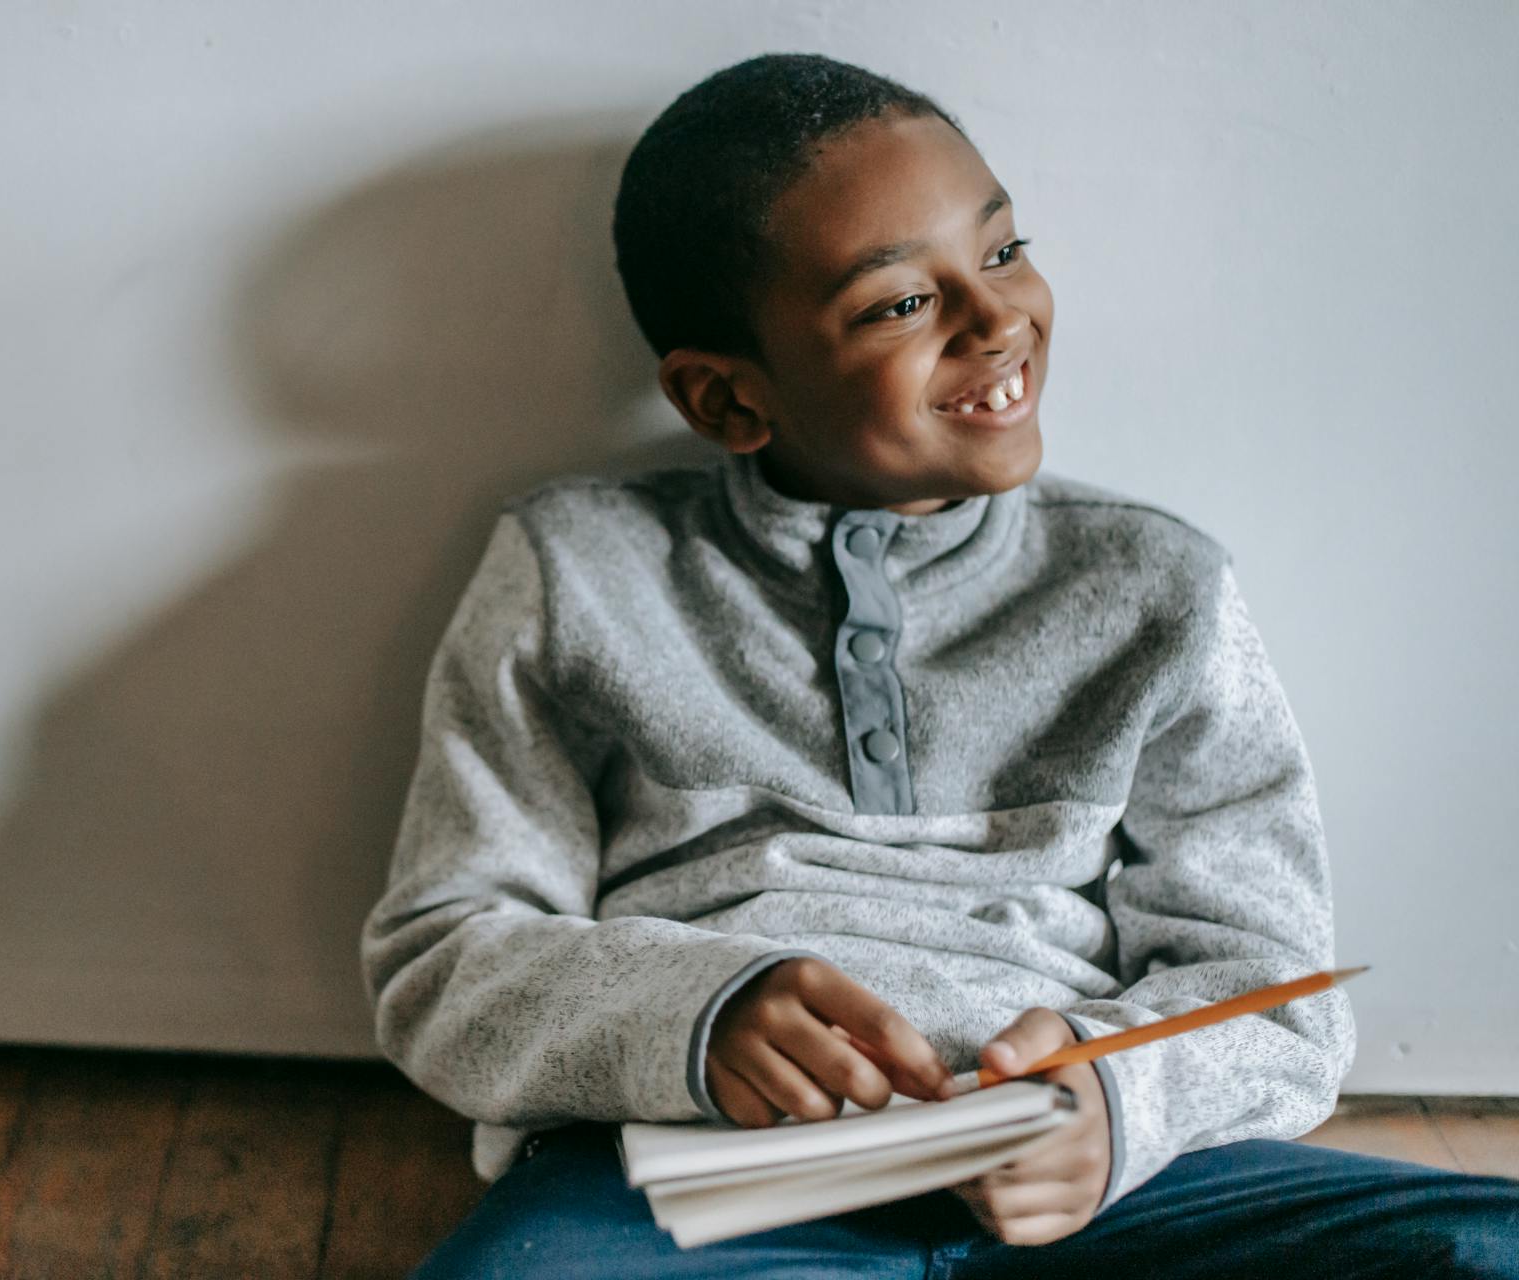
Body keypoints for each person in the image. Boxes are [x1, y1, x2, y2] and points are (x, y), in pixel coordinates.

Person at [358, 51, 1519, 1278]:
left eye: (1005, 251)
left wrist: (1113, 1100)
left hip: (1111, 1174)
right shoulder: (573, 568)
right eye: (900, 304)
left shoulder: (1158, 585)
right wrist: (692, 1017)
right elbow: (447, 955)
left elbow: (1280, 988)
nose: (997, 318)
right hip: (700, 1175)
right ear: (726, 398)